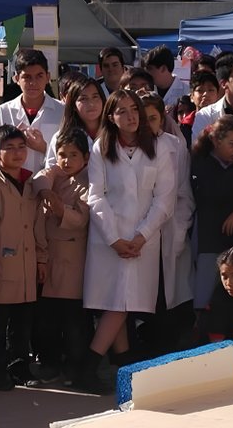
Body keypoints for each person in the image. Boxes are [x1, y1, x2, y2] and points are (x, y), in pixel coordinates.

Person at [83, 89, 174, 390]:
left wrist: (141, 236)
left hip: (142, 242)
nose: (131, 116)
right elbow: (96, 196)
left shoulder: (159, 147)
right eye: (121, 111)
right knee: (117, 303)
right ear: (111, 117)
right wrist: (114, 239)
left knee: (122, 303)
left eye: (134, 109)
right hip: (109, 240)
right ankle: (91, 368)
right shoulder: (102, 147)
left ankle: (118, 366)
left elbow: (164, 198)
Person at [0, 125, 47, 391]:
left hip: (27, 266)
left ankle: (20, 368)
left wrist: (41, 258)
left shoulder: (31, 185)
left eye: (21, 147)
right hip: (0, 264)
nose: (17, 153)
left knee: (22, 323)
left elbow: (38, 224)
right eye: (9, 148)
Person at [32, 128, 91, 390]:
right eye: (62, 154)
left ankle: (75, 366)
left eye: (74, 155)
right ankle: (50, 363)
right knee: (47, 320)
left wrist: (59, 208)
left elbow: (80, 219)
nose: (66, 160)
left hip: (73, 261)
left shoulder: (89, 182)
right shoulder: (54, 175)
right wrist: (48, 192)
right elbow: (39, 179)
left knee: (74, 321)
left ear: (86, 158)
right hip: (48, 258)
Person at [137, 95, 195, 357]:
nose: (147, 124)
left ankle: (165, 352)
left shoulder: (175, 146)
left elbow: (184, 194)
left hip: (168, 230)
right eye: (142, 118)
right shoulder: (126, 147)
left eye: (153, 118)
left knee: (165, 294)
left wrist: (180, 230)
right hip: (137, 231)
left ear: (162, 118)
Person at [191, 115, 233, 314]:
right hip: (208, 239)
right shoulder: (200, 165)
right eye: (231, 143)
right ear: (217, 141)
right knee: (204, 296)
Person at [0, 50, 66, 173]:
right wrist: (7, 144)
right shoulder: (4, 111)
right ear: (17, 78)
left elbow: (73, 153)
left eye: (39, 76)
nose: (33, 83)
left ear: (48, 77)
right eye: (27, 77)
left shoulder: (62, 110)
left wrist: (44, 148)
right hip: (11, 182)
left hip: (51, 182)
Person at [49, 75, 106, 170]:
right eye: (83, 99)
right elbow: (51, 172)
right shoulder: (61, 137)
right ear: (73, 105)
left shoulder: (115, 132)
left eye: (95, 97)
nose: (91, 103)